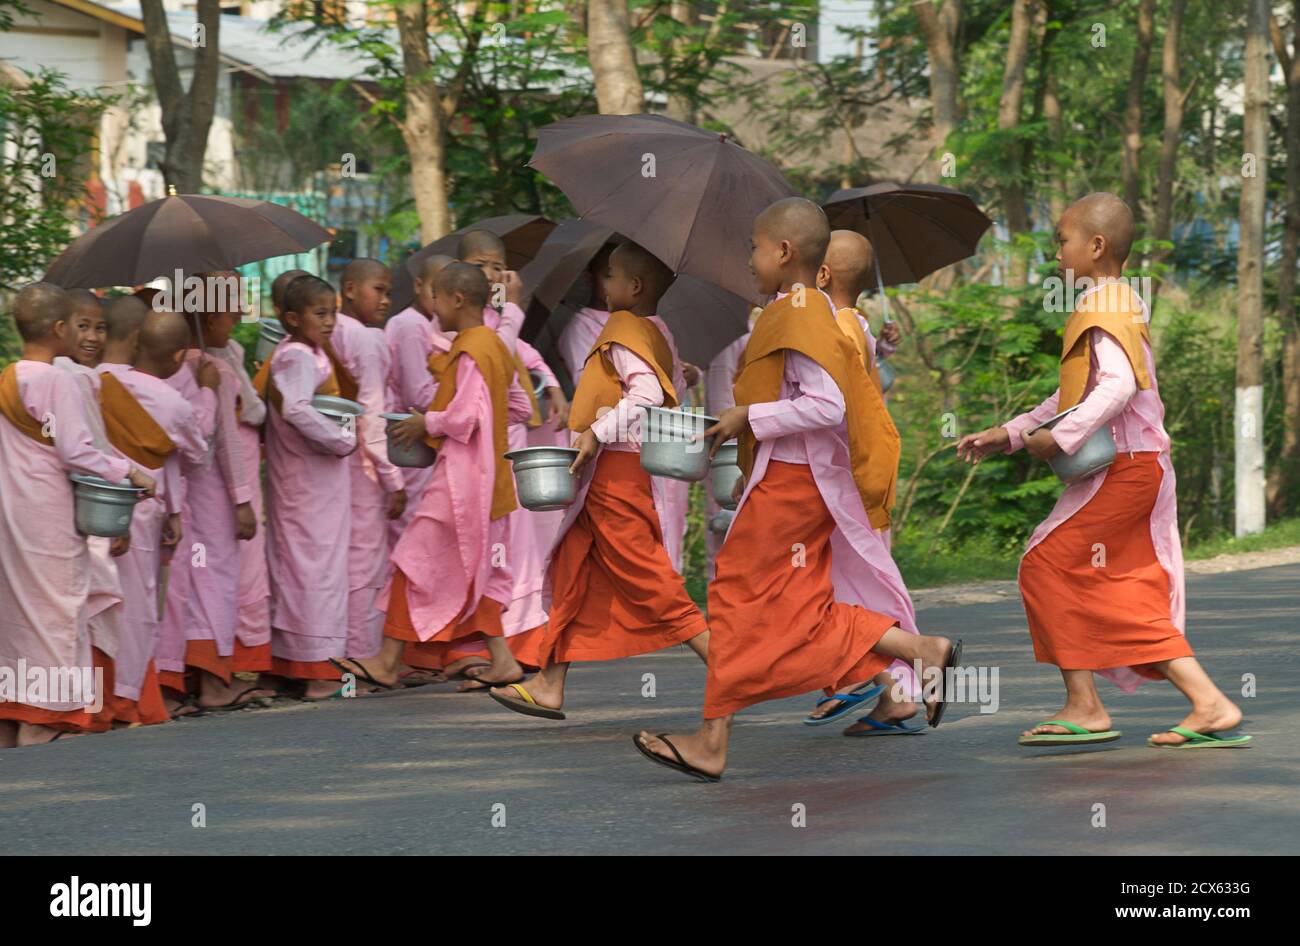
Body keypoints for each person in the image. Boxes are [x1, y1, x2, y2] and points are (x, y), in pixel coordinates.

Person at [632, 198, 959, 781]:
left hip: (795, 481)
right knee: (783, 603)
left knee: (736, 598)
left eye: (755, 248)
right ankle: (916, 652)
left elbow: (827, 406)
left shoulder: (801, 312)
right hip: (795, 476)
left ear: (783, 252)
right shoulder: (798, 308)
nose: (750, 260)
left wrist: (744, 418)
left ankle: (713, 740)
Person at [957, 192, 1250, 749]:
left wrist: (1056, 438)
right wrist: (1014, 433)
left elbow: (1115, 387)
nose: (1055, 251)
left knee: (1045, 563)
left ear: (1096, 246)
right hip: (1133, 466)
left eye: (1062, 240)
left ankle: (1086, 705)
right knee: (1121, 586)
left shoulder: (1106, 304)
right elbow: (1075, 393)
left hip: (1129, 468)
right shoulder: (1109, 300)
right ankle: (1207, 702)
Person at [489, 241, 708, 720]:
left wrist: (597, 430)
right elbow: (665, 388)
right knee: (572, 569)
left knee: (647, 574)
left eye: (609, 276)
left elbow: (647, 393)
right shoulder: (653, 329)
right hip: (606, 470)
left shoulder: (625, 327)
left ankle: (725, 662)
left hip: (616, 469)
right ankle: (549, 682)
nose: (601, 284)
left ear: (634, 286)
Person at [337, 263, 533, 689]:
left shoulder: (473, 350)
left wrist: (424, 424)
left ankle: (388, 661)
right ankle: (501, 660)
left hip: (462, 483)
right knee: (476, 569)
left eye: (437, 299)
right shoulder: (495, 347)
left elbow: (465, 417)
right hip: (491, 477)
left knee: (412, 561)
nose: (433, 307)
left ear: (457, 300)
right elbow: (520, 407)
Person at [0, 284, 155, 748]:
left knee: (19, 615)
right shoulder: (57, 380)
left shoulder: (10, 375)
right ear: (60, 329)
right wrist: (130, 473)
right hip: (49, 515)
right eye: (79, 324)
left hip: (13, 513)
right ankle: (41, 718)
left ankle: (15, 709)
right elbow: (76, 450)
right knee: (59, 610)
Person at [807, 228, 923, 736]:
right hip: (865, 467)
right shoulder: (855, 323)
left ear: (821, 275)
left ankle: (865, 677)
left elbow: (829, 402)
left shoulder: (835, 326)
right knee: (859, 578)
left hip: (845, 473)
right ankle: (887, 693)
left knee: (839, 581)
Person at [98, 302, 213, 724]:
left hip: (84, 504)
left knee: (92, 603)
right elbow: (197, 454)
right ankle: (126, 700)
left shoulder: (82, 382)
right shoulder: (172, 401)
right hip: (138, 509)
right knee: (137, 605)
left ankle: (92, 697)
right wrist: (205, 392)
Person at [156, 274, 264, 711]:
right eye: (231, 304)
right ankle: (215, 683)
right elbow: (225, 443)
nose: (239, 313)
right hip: (214, 493)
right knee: (214, 580)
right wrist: (242, 500)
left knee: (188, 582)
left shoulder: (173, 362)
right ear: (203, 311)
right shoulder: (209, 369)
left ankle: (185, 680)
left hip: (180, 493)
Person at [256, 274, 359, 700]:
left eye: (333, 312)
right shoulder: (296, 355)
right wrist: (341, 439)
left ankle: (293, 664)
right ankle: (317, 670)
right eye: (321, 313)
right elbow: (297, 407)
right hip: (306, 480)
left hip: (313, 481)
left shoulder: (306, 351)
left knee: (308, 567)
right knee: (313, 569)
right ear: (293, 318)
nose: (332, 321)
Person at [332, 259, 407, 669]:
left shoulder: (323, 333)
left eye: (388, 291)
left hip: (329, 466)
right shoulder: (366, 338)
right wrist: (392, 479)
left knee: (339, 560)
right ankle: (361, 656)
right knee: (365, 562)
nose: (385, 300)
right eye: (378, 290)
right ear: (349, 289)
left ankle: (335, 652)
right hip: (365, 468)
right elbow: (373, 415)